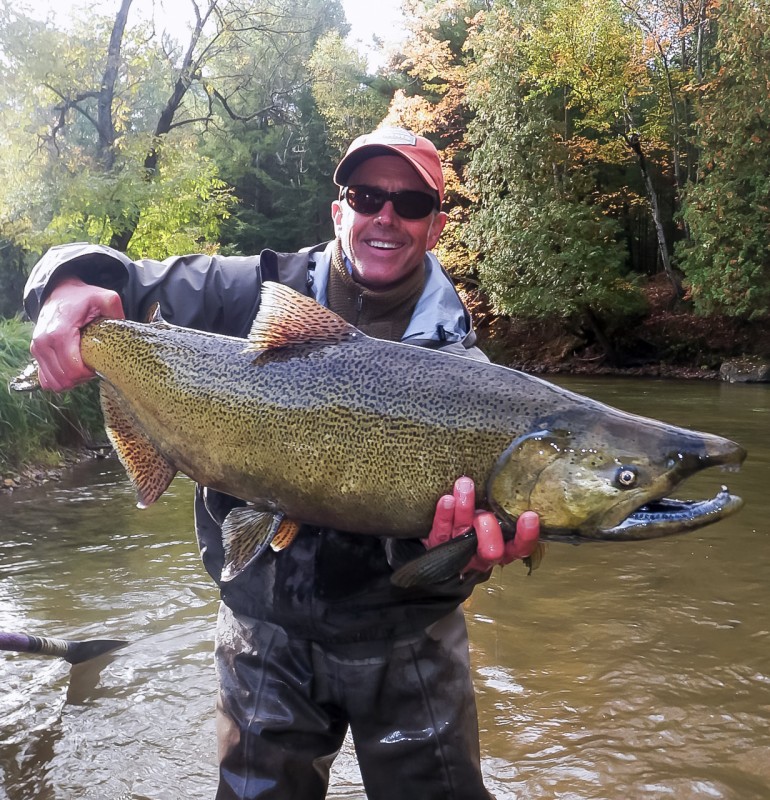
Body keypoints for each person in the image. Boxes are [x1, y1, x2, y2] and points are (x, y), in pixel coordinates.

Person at [24, 127, 540, 800]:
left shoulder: (468, 376)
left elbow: (456, 549)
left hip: (407, 635)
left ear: (436, 226)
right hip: (261, 630)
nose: (386, 214)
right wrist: (64, 288)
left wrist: (467, 556)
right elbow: (114, 276)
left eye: (411, 202)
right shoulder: (250, 292)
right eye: (366, 195)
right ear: (339, 212)